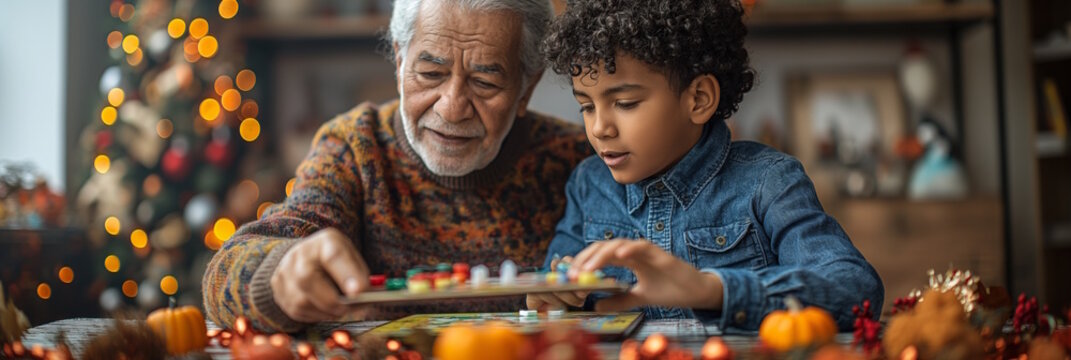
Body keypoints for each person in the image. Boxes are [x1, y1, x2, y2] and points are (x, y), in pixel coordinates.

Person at [203, 0, 591, 333]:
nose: (451, 108)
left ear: (526, 88)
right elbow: (222, 276)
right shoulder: (356, 147)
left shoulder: (577, 161)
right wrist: (280, 273)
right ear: (399, 62)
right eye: (431, 73)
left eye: (485, 82)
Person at [526, 0, 884, 333]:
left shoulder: (768, 181)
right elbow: (554, 282)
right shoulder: (590, 185)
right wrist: (553, 294)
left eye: (625, 102)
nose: (600, 128)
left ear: (698, 99)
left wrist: (711, 290)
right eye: (586, 107)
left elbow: (855, 290)